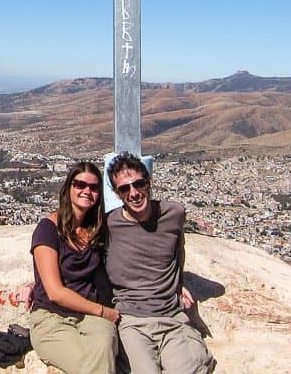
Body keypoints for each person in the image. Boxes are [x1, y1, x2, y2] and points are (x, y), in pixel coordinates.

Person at [105, 153, 214, 374]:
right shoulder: (108, 224)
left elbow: (177, 248)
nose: (133, 193)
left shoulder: (173, 214)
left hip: (171, 317)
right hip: (132, 320)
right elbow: (74, 252)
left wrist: (179, 281)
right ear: (117, 193)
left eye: (138, 184)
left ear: (149, 183)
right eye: (124, 188)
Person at [28, 161, 119, 374]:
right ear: (68, 187)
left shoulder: (98, 230)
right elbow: (55, 292)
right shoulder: (47, 230)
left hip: (91, 318)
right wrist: (103, 311)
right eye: (80, 184)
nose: (86, 191)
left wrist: (177, 283)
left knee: (104, 348)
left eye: (94, 187)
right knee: (91, 367)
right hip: (52, 318)